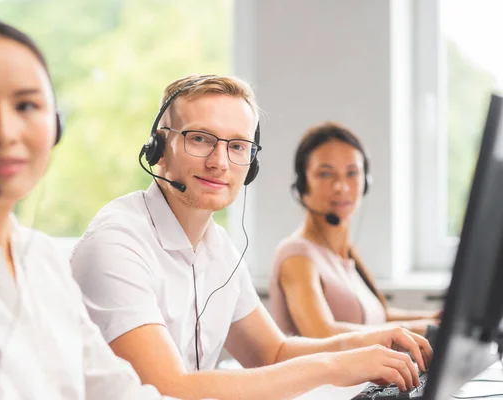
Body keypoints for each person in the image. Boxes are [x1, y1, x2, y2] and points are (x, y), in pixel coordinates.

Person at [71, 74, 433, 400]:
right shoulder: (117, 243)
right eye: (200, 139)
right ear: (159, 150)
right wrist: (336, 367)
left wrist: (372, 342)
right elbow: (169, 388)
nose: (220, 162)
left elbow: (272, 353)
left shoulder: (219, 249)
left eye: (238, 146)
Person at [0, 19, 173, 400]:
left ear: (55, 125)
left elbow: (115, 389)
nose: (6, 132)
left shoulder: (41, 257)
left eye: (26, 105)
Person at [269, 121, 440, 340]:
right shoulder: (296, 255)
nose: (341, 186)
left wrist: (435, 319)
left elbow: (379, 317)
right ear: (302, 184)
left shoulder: (344, 254)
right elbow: (323, 334)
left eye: (352, 173)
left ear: (365, 182)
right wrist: (421, 330)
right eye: (325, 174)